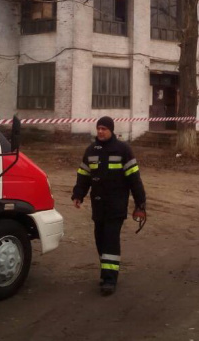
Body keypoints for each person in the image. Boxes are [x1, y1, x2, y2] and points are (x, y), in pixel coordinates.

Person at [72, 116, 147, 295]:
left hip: (116, 204)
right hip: (98, 205)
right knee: (100, 238)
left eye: (104, 128)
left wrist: (140, 203)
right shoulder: (91, 151)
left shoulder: (123, 150)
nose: (100, 131)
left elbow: (134, 180)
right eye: (98, 128)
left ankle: (109, 280)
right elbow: (84, 176)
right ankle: (107, 270)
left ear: (111, 130)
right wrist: (78, 195)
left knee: (111, 239)